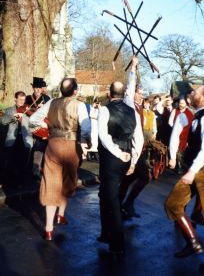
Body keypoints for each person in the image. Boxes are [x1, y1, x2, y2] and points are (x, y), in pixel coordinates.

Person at [164, 85, 204, 270]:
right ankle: (193, 243)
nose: (192, 93)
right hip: (195, 167)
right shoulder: (197, 115)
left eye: (196, 92)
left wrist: (192, 171)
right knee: (173, 204)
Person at [29, 77, 91, 241]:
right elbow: (86, 128)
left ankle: (48, 228)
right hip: (71, 146)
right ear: (75, 91)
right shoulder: (79, 105)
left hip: (53, 145)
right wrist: (85, 144)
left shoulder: (51, 103)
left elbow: (33, 119)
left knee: (51, 182)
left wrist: (48, 126)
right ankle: (60, 215)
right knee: (68, 181)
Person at [98, 57, 144, 257]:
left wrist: (121, 154)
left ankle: (117, 242)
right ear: (123, 94)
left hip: (112, 158)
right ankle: (106, 233)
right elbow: (139, 139)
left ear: (109, 94)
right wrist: (133, 160)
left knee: (112, 199)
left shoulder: (105, 110)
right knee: (104, 195)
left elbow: (104, 137)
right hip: (126, 158)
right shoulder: (132, 110)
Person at [119, 58, 150, 219]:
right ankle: (121, 206)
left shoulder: (140, 108)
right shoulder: (129, 104)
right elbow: (130, 87)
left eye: (143, 94)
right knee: (133, 177)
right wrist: (133, 67)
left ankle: (125, 204)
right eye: (140, 93)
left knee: (139, 177)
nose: (142, 96)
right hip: (129, 148)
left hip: (139, 149)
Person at [1, 91, 33, 188]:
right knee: (10, 161)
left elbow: (33, 124)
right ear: (15, 99)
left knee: (22, 162)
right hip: (12, 138)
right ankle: (7, 182)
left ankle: (20, 182)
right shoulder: (10, 110)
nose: (22, 102)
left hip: (24, 138)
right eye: (20, 100)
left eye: (23, 100)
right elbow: (3, 121)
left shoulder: (28, 111)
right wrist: (13, 117)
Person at [26, 77, 51, 179]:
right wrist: (34, 109)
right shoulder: (28, 98)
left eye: (39, 88)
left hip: (43, 127)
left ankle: (41, 169)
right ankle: (30, 170)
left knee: (43, 147)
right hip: (30, 126)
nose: (37, 90)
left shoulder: (47, 99)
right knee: (31, 148)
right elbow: (25, 111)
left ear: (42, 89)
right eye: (35, 87)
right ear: (33, 88)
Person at [168, 96, 194, 173]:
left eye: (182, 103)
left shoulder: (190, 114)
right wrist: (175, 128)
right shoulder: (175, 111)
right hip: (175, 132)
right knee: (176, 149)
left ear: (186, 104)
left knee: (182, 153)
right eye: (180, 103)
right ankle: (177, 164)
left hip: (185, 137)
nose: (180, 105)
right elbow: (170, 122)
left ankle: (180, 165)